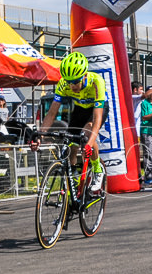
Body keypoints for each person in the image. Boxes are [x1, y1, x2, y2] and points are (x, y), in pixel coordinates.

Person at [35, 51, 106, 194]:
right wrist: (40, 135)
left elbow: (97, 120)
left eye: (75, 81)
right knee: (70, 144)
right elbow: (52, 113)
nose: (72, 85)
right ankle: (72, 178)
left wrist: (89, 144)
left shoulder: (96, 81)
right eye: (68, 81)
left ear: (84, 75)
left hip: (96, 110)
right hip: (80, 108)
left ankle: (98, 169)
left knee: (87, 132)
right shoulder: (64, 84)